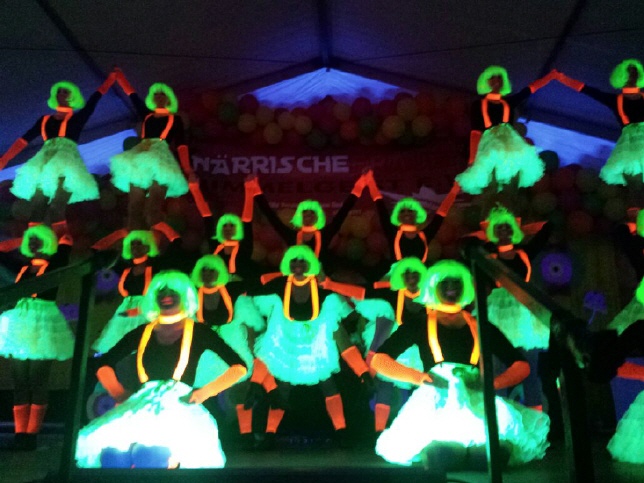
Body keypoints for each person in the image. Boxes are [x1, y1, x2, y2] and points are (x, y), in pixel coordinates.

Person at [371, 260, 549, 468]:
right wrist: (418, 377)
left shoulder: (481, 326)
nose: (451, 288)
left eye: (456, 283)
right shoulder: (419, 323)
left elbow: (521, 365)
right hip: (435, 403)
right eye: (445, 283)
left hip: (476, 401)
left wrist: (492, 384)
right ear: (433, 286)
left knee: (492, 456)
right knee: (442, 455)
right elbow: (379, 359)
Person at [75, 271, 247, 469]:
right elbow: (102, 364)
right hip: (141, 403)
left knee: (150, 457)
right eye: (161, 291)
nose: (166, 295)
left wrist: (204, 393)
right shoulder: (143, 331)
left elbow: (239, 367)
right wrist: (118, 392)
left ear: (185, 295)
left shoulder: (199, 332)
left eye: (173, 290)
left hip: (178, 407)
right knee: (113, 458)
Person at [246, 245, 370, 445]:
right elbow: (269, 348)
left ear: (310, 264)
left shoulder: (323, 291)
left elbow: (341, 339)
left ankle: (341, 431)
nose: (298, 265)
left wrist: (363, 372)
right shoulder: (280, 286)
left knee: (329, 385)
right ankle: (269, 434)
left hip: (315, 344)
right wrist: (255, 382)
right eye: (293, 261)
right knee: (282, 388)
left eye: (302, 261)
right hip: (288, 342)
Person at [0, 74, 116, 224]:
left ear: (72, 96)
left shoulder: (77, 119)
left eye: (65, 91)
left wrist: (111, 79)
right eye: (59, 91)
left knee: (58, 205)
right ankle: (37, 236)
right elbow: (24, 140)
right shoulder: (44, 120)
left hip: (67, 162)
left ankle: (58, 236)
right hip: (44, 162)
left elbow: (94, 100)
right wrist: (5, 159)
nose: (61, 93)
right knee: (37, 204)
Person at [0, 225, 74, 451]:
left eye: (38, 240)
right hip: (21, 325)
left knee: (38, 379)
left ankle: (32, 434)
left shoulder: (55, 265)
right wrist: (23, 237)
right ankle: (19, 433)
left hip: (43, 327)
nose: (33, 245)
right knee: (20, 381)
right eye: (31, 241)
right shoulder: (23, 268)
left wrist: (54, 229)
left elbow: (66, 242)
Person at [110, 68, 196, 230]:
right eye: (156, 94)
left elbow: (182, 145)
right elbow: (133, 96)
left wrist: (187, 169)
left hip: (161, 160)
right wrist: (120, 78)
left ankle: (155, 238)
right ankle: (135, 238)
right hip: (141, 156)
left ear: (169, 98)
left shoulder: (175, 119)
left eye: (162, 94)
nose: (159, 97)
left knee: (153, 208)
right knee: (134, 207)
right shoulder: (147, 115)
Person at [190, 254, 263, 439]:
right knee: (205, 395)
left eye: (212, 271)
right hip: (206, 354)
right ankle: (215, 433)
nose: (208, 274)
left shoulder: (235, 296)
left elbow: (252, 326)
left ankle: (243, 433)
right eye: (204, 271)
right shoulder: (192, 299)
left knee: (237, 394)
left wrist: (253, 352)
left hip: (234, 349)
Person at [353, 257, 428, 433]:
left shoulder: (429, 297)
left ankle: (418, 431)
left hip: (422, 346)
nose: (411, 279)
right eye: (407, 275)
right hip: (397, 343)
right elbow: (365, 293)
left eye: (415, 275)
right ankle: (379, 430)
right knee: (385, 384)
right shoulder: (393, 296)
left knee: (423, 388)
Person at [455, 66, 556, 195]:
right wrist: (472, 159)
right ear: (486, 81)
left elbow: (528, 90)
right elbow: (475, 132)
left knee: (510, 178)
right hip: (489, 144)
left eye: (499, 78)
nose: (496, 81)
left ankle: (505, 198)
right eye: (492, 78)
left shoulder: (508, 102)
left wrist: (549, 77)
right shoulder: (478, 104)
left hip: (510, 143)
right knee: (490, 178)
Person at [245, 171, 369, 272]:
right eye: (305, 212)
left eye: (312, 212)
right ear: (300, 215)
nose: (308, 215)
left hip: (320, 282)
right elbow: (271, 217)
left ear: (318, 216)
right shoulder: (292, 236)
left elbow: (343, 212)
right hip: (296, 282)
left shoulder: (325, 235)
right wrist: (255, 189)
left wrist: (359, 185)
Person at [91, 223, 182, 354]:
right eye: (132, 244)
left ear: (148, 246)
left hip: (149, 311)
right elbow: (95, 251)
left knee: (145, 347)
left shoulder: (157, 266)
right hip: (125, 313)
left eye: (139, 244)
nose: (135, 247)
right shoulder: (123, 268)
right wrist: (118, 234)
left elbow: (177, 244)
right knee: (118, 348)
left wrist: (163, 226)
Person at [556, 60, 644, 188]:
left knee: (635, 184)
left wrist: (561, 78)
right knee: (635, 185)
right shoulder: (616, 100)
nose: (632, 77)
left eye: (634, 74)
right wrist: (561, 78)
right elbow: (587, 90)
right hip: (630, 147)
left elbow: (588, 90)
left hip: (631, 147)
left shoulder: (619, 100)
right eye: (631, 74)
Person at [365, 170, 460, 264]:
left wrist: (454, 191)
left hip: (420, 273)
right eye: (402, 211)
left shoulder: (424, 235)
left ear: (416, 214)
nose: (406, 213)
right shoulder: (392, 233)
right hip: (398, 273)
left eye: (410, 211)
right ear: (398, 216)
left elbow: (441, 214)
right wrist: (370, 181)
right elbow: (380, 206)